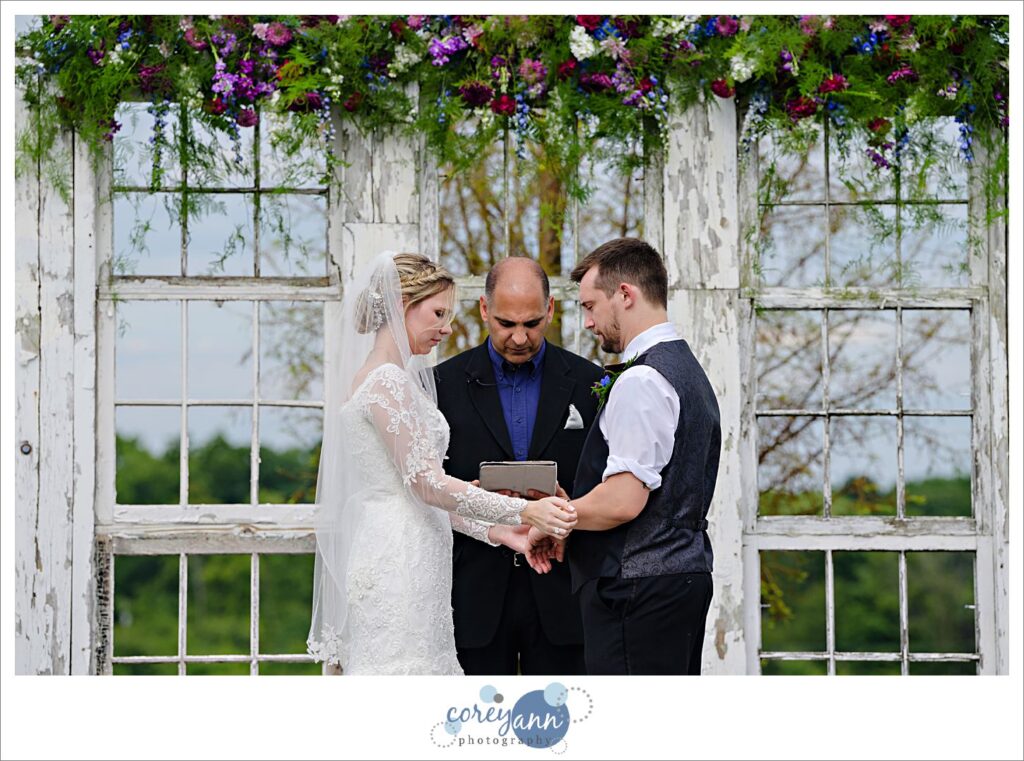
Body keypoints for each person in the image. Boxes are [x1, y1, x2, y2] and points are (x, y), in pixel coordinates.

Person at [306, 252, 576, 675]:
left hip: (414, 547)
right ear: (401, 307)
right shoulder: (387, 381)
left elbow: (419, 494)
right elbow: (428, 486)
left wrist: (505, 533)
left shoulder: (389, 377)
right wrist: (525, 509)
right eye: (437, 313)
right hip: (399, 557)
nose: (447, 328)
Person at [553, 237, 721, 675]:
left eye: (590, 305)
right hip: (680, 578)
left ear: (625, 294)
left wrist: (551, 516)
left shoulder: (642, 380)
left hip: (636, 590)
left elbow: (623, 501)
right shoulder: (687, 369)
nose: (588, 323)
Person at [435, 257, 604, 676]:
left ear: (550, 310)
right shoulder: (441, 384)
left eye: (531, 323)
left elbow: (605, 480)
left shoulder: (592, 383)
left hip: (562, 591)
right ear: (484, 310)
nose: (519, 337)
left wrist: (568, 507)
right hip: (471, 593)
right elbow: (426, 485)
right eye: (506, 323)